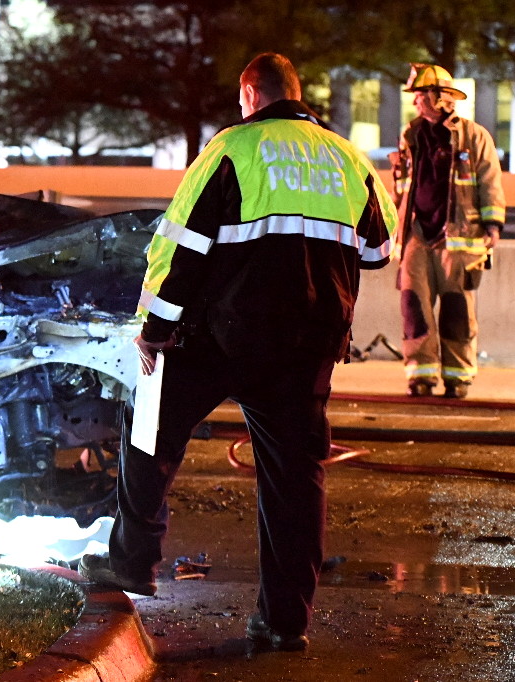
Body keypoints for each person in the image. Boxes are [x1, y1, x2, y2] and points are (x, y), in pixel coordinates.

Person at [78, 52, 397, 653]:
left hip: (221, 334)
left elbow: (181, 246)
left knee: (149, 430)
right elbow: (379, 252)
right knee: (295, 480)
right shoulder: (348, 159)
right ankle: (284, 622)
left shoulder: (231, 149)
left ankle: (132, 563)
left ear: (251, 94)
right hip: (306, 344)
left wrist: (154, 328)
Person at [390, 63, 506, 399]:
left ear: (441, 97)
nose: (416, 103)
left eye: (421, 95)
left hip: (460, 238)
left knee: (456, 309)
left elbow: (488, 181)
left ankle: (458, 378)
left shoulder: (473, 136)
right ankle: (420, 376)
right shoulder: (410, 135)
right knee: (414, 307)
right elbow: (404, 189)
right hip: (416, 235)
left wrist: (492, 225)